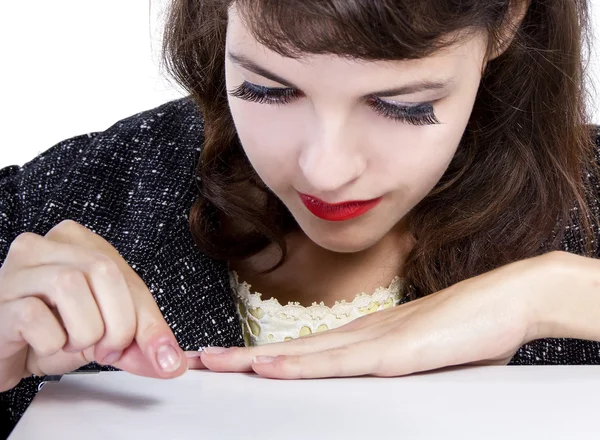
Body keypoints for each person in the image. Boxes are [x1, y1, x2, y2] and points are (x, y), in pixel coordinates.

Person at [1, 0, 600, 436]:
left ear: (507, 23)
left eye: (402, 105)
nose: (326, 170)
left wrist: (554, 293)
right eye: (267, 90)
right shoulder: (65, 200)